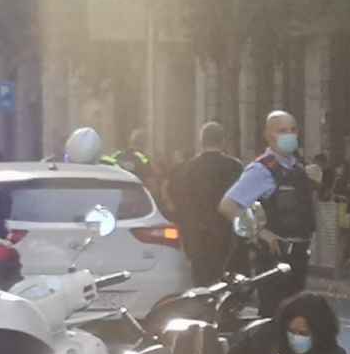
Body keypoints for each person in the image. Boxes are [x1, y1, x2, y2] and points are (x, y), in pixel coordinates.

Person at [219, 110, 317, 316]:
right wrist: (260, 233)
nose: (289, 135)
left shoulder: (297, 168)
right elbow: (228, 205)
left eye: (293, 130)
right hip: (274, 260)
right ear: (268, 135)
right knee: (274, 319)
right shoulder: (261, 170)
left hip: (298, 258)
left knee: (294, 320)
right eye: (282, 131)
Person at [174, 122, 245, 285]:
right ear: (223, 141)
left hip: (197, 235)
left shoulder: (188, 168)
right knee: (226, 283)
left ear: (201, 141)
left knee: (201, 282)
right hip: (227, 234)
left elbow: (182, 202)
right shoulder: (234, 166)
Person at [108, 128, 165, 212]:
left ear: (130, 141)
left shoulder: (115, 156)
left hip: (116, 201)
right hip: (137, 203)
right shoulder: (143, 159)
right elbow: (152, 183)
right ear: (144, 143)